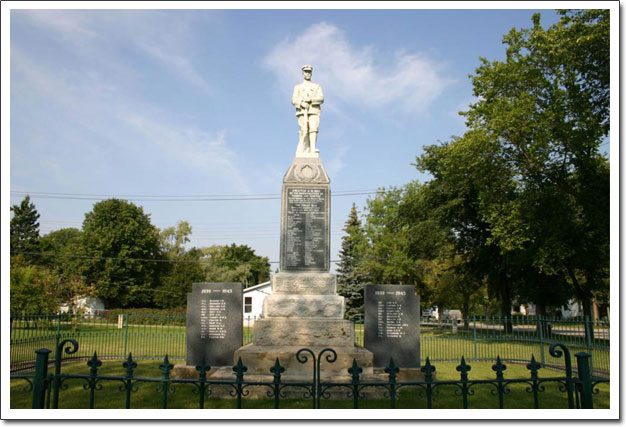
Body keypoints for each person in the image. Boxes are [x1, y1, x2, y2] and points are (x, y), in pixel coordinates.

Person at [292, 65, 324, 155]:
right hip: (302, 111)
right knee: (303, 130)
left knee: (313, 129)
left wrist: (311, 100)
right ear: (303, 73)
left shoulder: (317, 86)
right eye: (306, 72)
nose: (308, 73)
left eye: (309, 72)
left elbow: (321, 98)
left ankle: (312, 148)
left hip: (313, 110)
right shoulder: (297, 87)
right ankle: (304, 148)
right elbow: (294, 100)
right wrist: (301, 103)